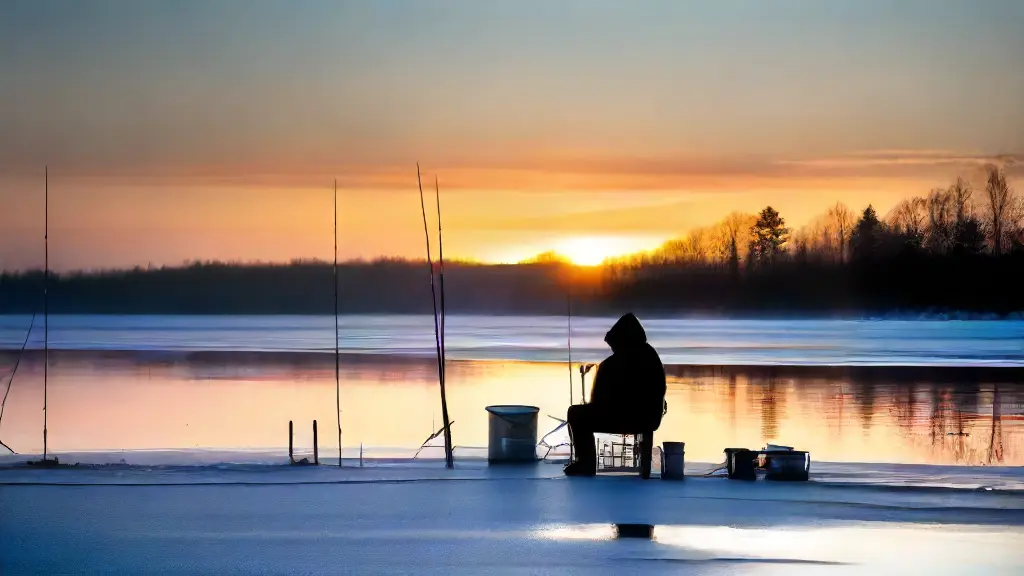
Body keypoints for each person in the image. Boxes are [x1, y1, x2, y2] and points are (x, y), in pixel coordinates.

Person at [563, 312, 666, 476]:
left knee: (576, 413)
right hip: (650, 418)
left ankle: (586, 463)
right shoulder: (651, 356)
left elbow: (598, 401)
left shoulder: (610, 365)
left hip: (625, 418)